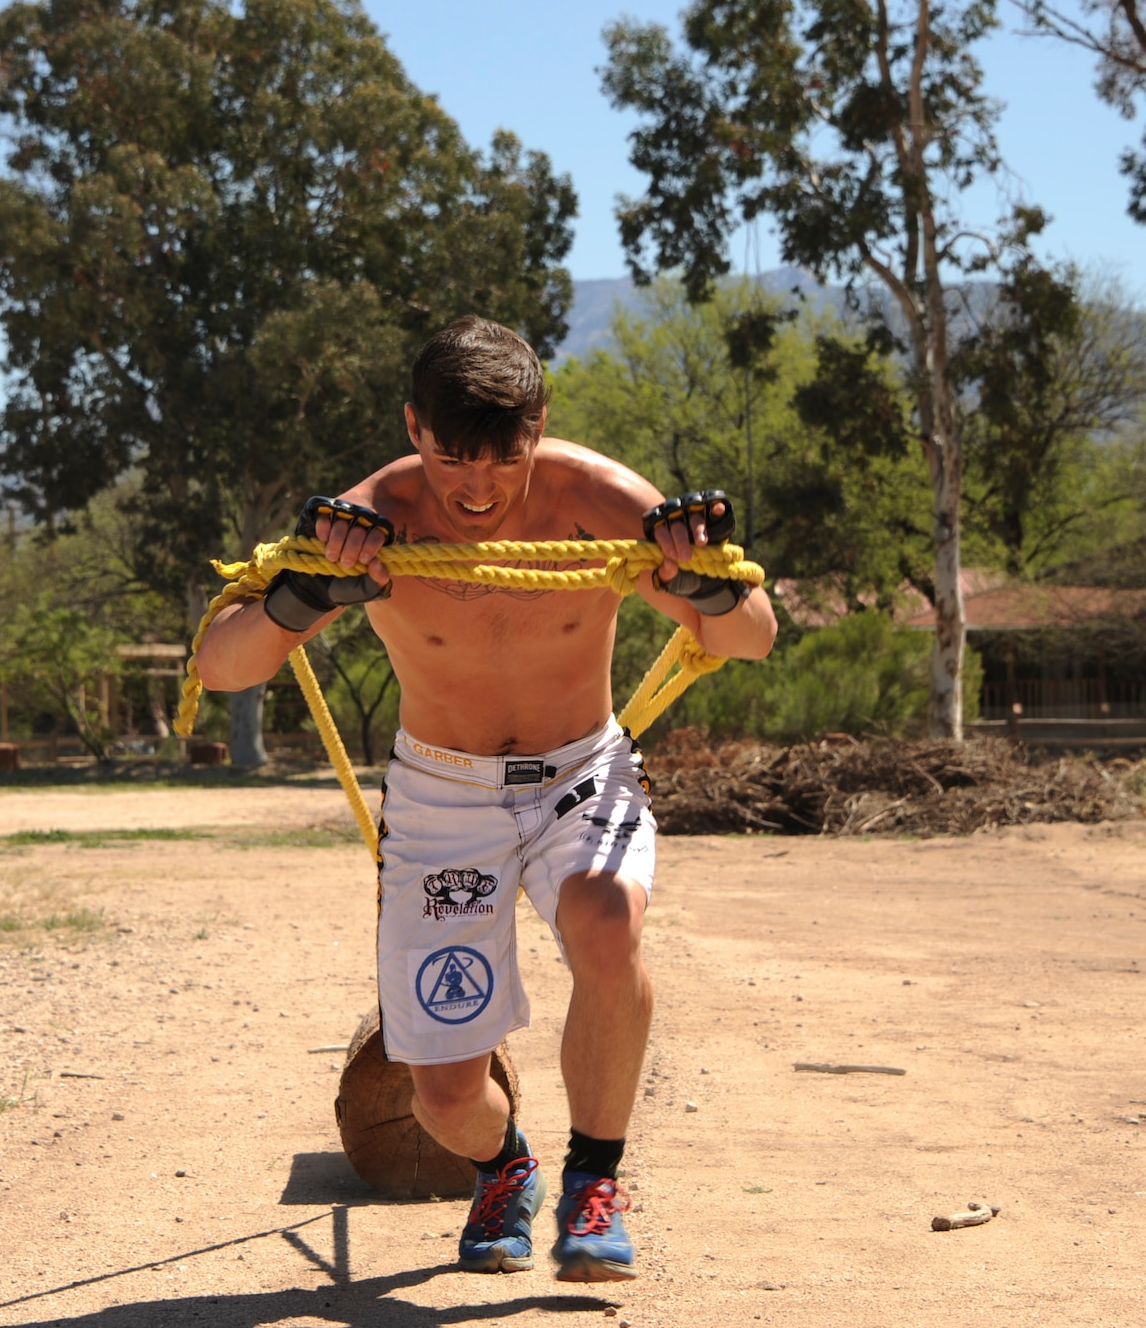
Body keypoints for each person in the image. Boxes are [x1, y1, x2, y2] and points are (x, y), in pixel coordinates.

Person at [194, 316, 777, 1281]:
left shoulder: (599, 499)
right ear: (414, 424)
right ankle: (507, 1169)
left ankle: (596, 1181)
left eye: (504, 458)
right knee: (444, 1098)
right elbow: (221, 666)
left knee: (606, 921)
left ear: (538, 428)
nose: (477, 488)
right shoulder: (368, 517)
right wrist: (304, 594)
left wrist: (701, 579)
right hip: (441, 796)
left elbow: (750, 635)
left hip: (579, 772)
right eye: (451, 456)